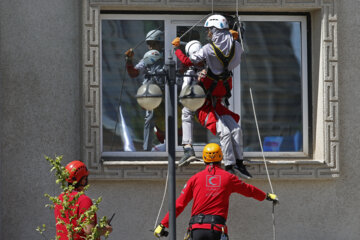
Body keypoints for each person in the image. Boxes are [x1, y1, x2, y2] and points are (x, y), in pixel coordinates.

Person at [172, 15, 252, 179]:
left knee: (228, 130)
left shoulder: (208, 51)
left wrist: (177, 49)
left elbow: (188, 63)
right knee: (232, 130)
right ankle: (237, 163)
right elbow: (238, 48)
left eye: (209, 30)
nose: (208, 33)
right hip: (217, 99)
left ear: (214, 30)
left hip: (209, 102)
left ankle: (230, 163)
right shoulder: (235, 47)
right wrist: (235, 36)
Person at [153, 143, 278, 240]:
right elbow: (249, 190)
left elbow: (179, 204)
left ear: (204, 158)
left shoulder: (195, 179)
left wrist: (163, 225)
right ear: (220, 157)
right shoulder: (228, 178)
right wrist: (266, 196)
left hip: (196, 230)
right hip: (216, 230)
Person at [125, 29, 165, 151]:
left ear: (161, 44)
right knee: (149, 119)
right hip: (152, 94)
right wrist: (129, 60)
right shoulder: (146, 59)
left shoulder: (168, 58)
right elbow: (134, 73)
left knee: (172, 118)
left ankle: (174, 146)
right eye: (149, 44)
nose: (151, 47)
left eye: (154, 43)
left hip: (167, 93)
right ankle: (147, 149)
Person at [54, 160, 113, 239]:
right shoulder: (84, 200)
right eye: (85, 178)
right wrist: (105, 229)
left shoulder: (60, 199)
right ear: (83, 180)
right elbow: (89, 231)